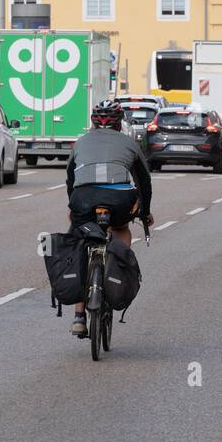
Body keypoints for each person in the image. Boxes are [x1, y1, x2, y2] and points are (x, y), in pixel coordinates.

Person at [65, 99, 153, 339]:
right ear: (119, 121)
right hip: (119, 199)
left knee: (80, 241)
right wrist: (145, 212)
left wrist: (73, 206)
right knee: (121, 228)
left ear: (94, 121)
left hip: (83, 198)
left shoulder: (80, 142)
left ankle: (79, 317)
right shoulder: (129, 143)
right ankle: (119, 265)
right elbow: (144, 181)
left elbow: (70, 179)